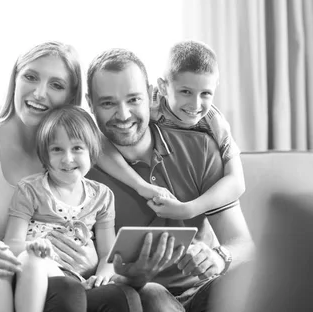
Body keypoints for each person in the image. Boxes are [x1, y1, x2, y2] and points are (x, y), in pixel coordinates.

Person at [0, 42, 140, 312]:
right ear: (14, 80)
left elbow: (123, 136)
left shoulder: (67, 160)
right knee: (65, 293)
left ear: (70, 96)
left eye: (56, 85)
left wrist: (90, 262)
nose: (40, 93)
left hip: (53, 286)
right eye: (31, 77)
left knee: (122, 297)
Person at [85, 48, 255, 312]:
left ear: (151, 94)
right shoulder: (80, 169)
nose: (124, 114)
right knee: (152, 295)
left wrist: (219, 258)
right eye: (108, 103)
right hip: (136, 296)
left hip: (203, 289)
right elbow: (89, 274)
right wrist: (134, 277)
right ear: (90, 103)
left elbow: (243, 243)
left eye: (133, 99)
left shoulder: (201, 148)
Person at [0, 105, 117, 312]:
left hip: (71, 279)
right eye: (57, 149)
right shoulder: (30, 189)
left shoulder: (102, 196)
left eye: (77, 148)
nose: (67, 159)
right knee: (29, 261)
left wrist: (103, 274)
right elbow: (13, 242)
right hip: (31, 268)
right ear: (45, 155)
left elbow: (109, 252)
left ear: (92, 150)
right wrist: (33, 248)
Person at [96, 40, 246, 220]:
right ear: (163, 87)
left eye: (205, 93)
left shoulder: (214, 123)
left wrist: (188, 210)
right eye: (186, 92)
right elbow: (99, 140)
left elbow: (237, 182)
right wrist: (141, 186)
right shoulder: (148, 104)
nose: (195, 105)